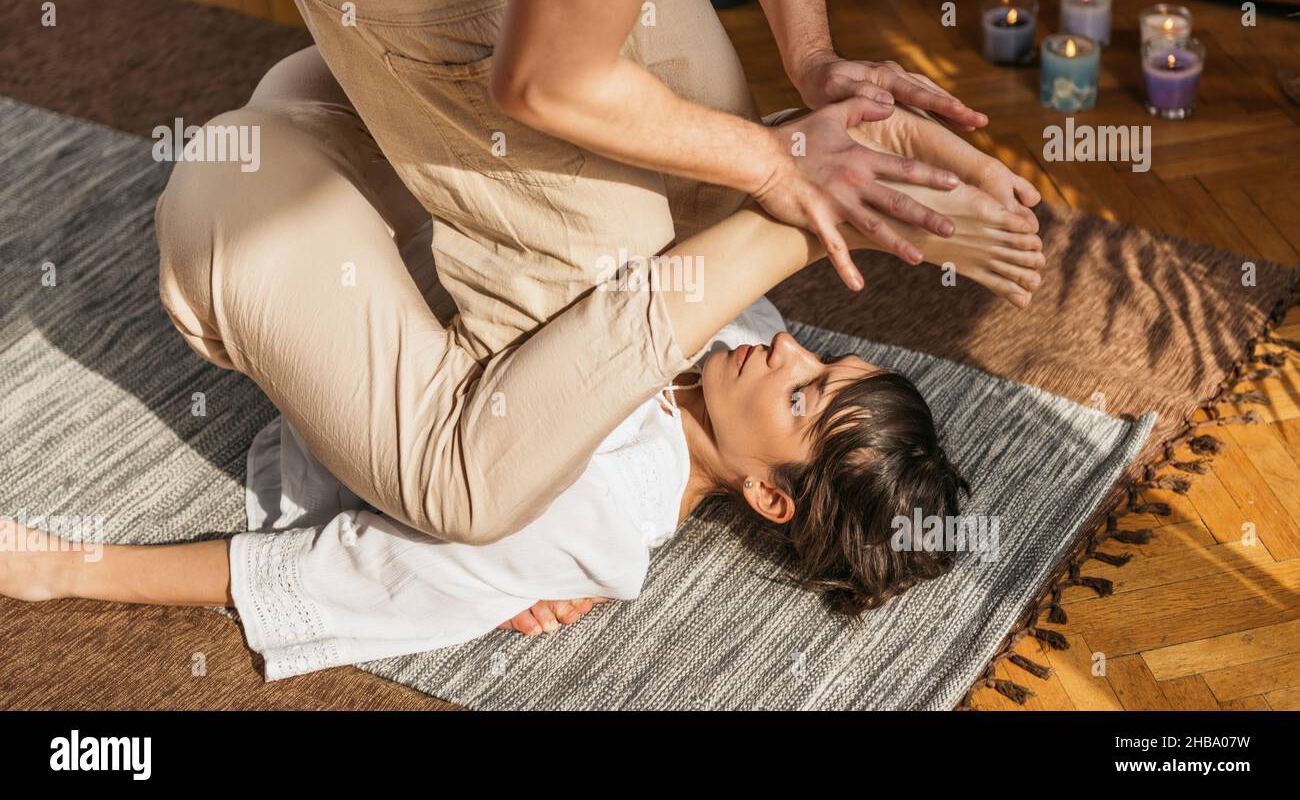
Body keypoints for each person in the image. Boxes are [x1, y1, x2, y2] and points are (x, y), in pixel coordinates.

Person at [1, 53, 1045, 669]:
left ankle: (851, 203)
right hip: (345, 118)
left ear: (771, 495)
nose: (785, 343)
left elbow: (325, 578)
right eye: (826, 356)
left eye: (806, 390)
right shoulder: (735, 345)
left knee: (674, 247)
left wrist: (60, 569)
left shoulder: (596, 516)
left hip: (257, 234)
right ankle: (841, 186)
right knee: (668, 177)